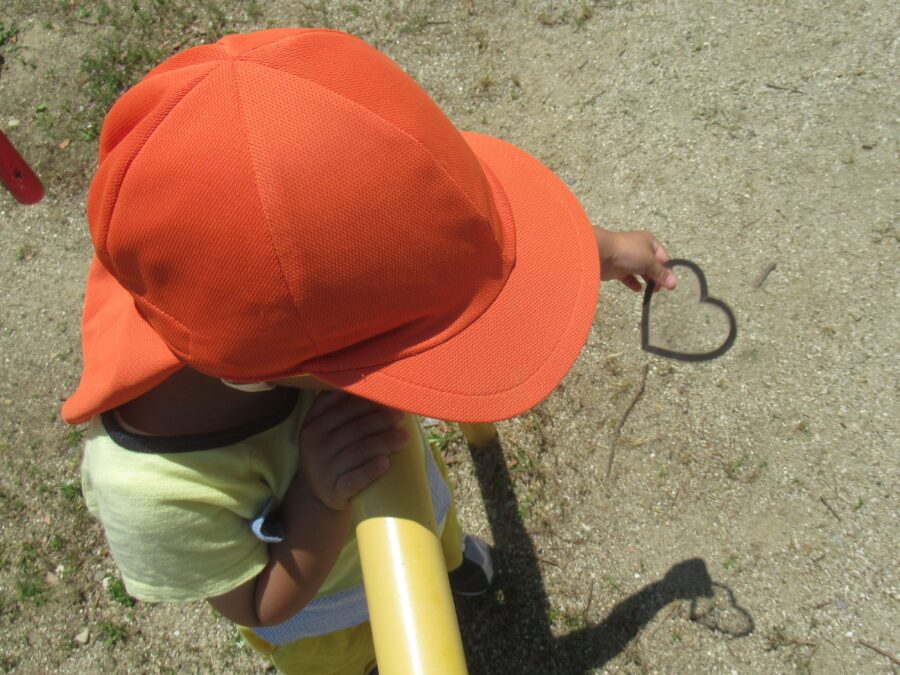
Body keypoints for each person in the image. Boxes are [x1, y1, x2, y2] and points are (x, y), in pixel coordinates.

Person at [63, 28, 676, 675]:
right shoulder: (151, 493)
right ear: (275, 369)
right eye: (420, 337)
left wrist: (600, 249)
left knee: (437, 540)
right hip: (333, 621)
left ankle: (448, 560)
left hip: (406, 499)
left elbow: (464, 247)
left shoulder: (232, 292)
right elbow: (255, 604)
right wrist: (317, 500)